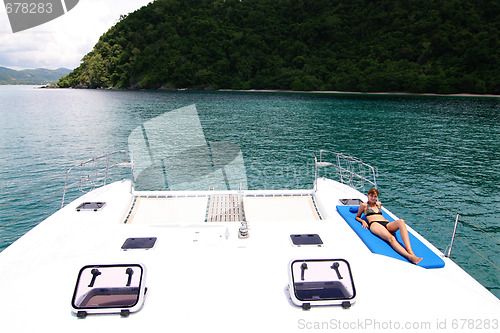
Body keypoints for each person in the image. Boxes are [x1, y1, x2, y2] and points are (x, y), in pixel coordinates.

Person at [355, 188, 423, 264]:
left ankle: (410, 250)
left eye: (375, 196)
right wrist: (363, 221)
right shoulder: (364, 205)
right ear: (368, 195)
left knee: (401, 221)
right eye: (371, 196)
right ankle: (409, 256)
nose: (373, 198)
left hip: (386, 223)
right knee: (391, 238)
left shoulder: (379, 204)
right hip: (375, 224)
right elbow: (357, 216)